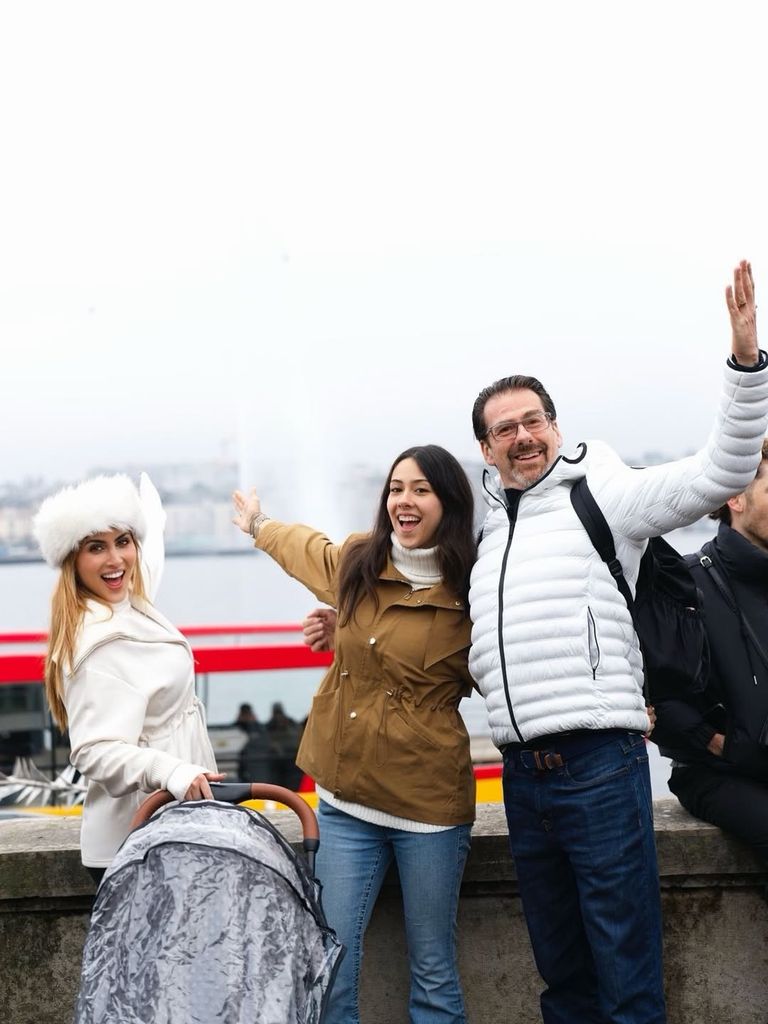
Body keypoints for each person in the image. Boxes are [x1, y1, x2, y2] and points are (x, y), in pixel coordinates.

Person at [466, 260, 768, 1023]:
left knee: (626, 975)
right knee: (562, 977)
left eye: (535, 420)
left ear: (557, 428)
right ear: (486, 449)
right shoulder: (488, 539)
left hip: (600, 768)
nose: (524, 436)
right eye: (506, 429)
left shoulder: (603, 494)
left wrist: (743, 364)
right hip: (522, 778)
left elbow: (720, 472)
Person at [233, 445, 477, 1024]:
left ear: (449, 503)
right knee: (331, 967)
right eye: (396, 488)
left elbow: (513, 670)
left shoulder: (477, 587)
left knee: (434, 973)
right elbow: (307, 551)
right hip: (346, 801)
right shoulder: (359, 563)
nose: (404, 500)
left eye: (421, 489)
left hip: (429, 810)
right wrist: (259, 526)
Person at [33, 473, 222, 883]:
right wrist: (172, 772)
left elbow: (146, 562)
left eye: (124, 541)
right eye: (96, 547)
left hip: (164, 831)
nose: (116, 559)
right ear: (73, 560)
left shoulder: (128, 602)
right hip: (140, 845)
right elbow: (93, 751)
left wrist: (150, 515)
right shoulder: (99, 644)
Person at [655, 439, 768, 863]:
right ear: (735, 498)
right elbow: (654, 688)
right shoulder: (686, 583)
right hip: (717, 773)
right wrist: (716, 743)